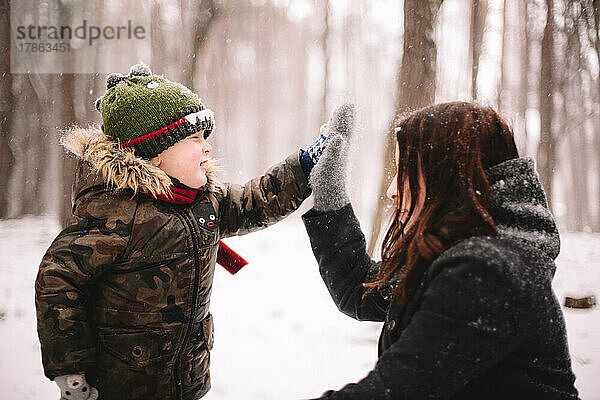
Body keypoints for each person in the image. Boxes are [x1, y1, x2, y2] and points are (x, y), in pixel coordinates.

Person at [35, 62, 344, 400]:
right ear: (153, 155)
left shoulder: (203, 201)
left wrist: (305, 165)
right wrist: (71, 369)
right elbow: (58, 279)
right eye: (194, 139)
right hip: (120, 385)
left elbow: (256, 201)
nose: (207, 147)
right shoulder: (115, 214)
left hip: (186, 380)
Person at [302, 101, 580, 399]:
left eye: (403, 170)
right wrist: (330, 196)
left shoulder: (486, 272)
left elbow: (394, 393)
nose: (392, 189)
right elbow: (362, 292)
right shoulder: (466, 252)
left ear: (444, 174)